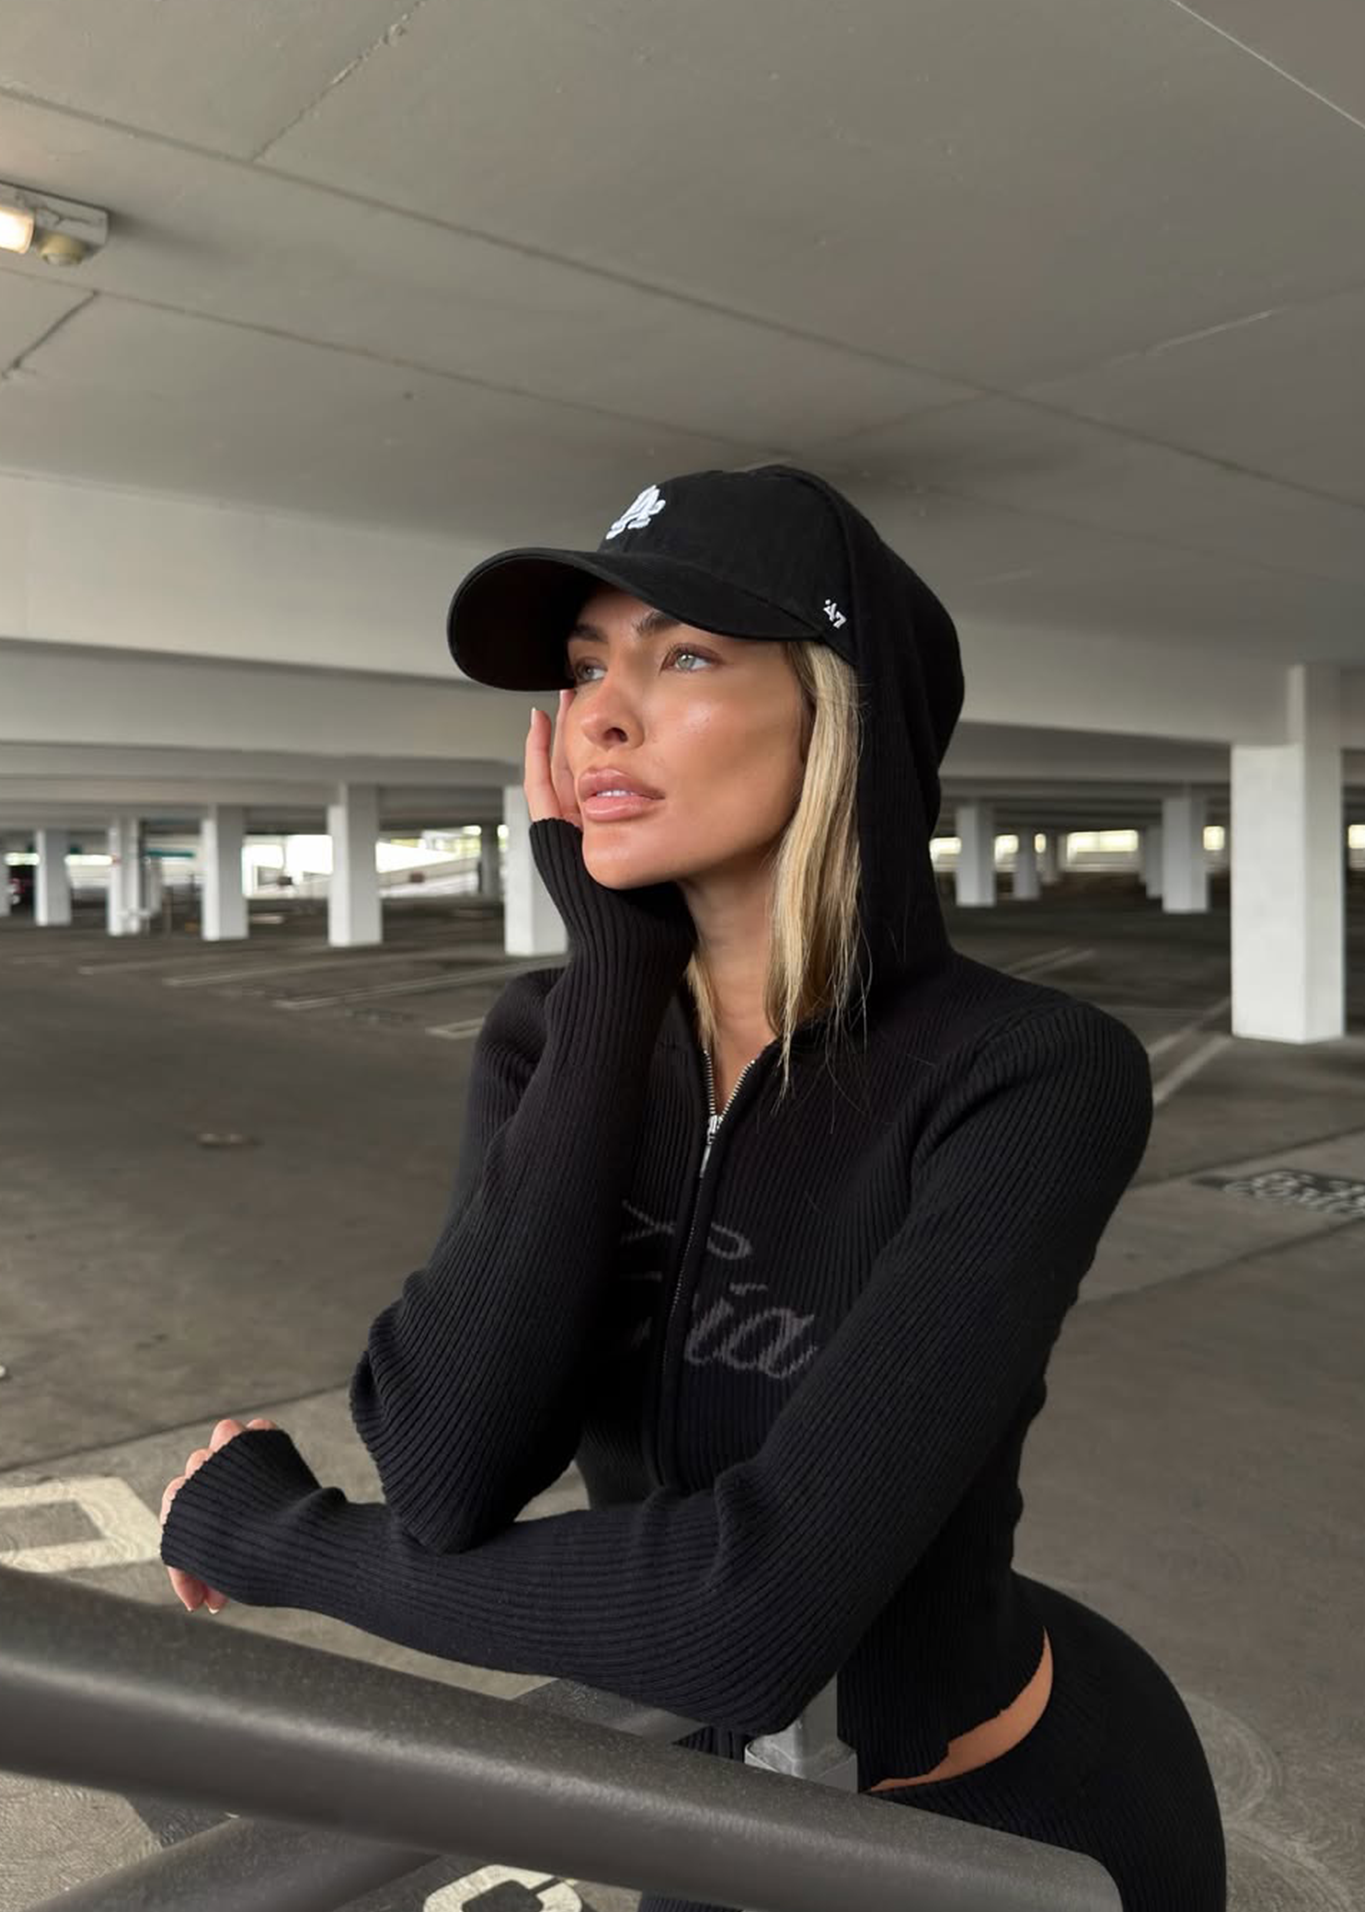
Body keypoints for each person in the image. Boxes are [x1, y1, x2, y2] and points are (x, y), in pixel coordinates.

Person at [160, 465, 1227, 1910]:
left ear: (842, 715)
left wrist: (279, 1540)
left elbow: (753, 1612)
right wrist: (611, 984)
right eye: (585, 666)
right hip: (697, 1820)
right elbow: (448, 1469)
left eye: (686, 658)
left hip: (988, 1828)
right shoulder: (550, 1037)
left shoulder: (1028, 1073)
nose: (600, 713)